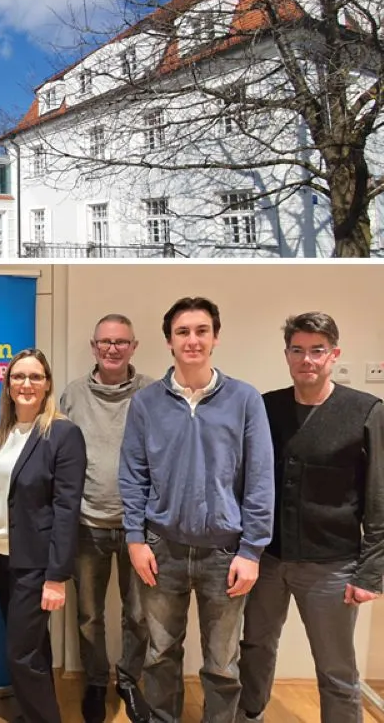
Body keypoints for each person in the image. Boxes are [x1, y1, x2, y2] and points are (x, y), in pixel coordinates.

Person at [119, 296, 274, 723]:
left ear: (216, 337)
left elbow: (261, 479)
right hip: (161, 550)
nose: (192, 340)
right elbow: (132, 475)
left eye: (201, 331)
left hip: (225, 555)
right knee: (159, 655)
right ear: (169, 341)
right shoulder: (147, 403)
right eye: (183, 332)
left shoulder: (245, 400)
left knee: (222, 666)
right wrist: (135, 538)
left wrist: (252, 551)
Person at [238, 312, 384, 723]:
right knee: (256, 648)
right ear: (286, 355)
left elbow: (379, 496)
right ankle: (249, 715)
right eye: (298, 350)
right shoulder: (266, 408)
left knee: (336, 667)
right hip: (266, 560)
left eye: (317, 351)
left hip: (332, 565)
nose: (307, 360)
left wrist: (370, 574)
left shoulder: (366, 411)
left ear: (334, 354)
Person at [0, 348, 86, 723]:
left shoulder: (63, 433)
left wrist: (56, 577)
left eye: (34, 377)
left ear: (47, 384)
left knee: (19, 654)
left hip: (36, 564)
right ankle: (36, 713)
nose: (25, 384)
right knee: (33, 650)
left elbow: (67, 510)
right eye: (18, 377)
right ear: (7, 385)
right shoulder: (6, 433)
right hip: (4, 557)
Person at [60, 314, 154, 723]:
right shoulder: (72, 395)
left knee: (138, 614)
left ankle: (129, 681)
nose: (112, 348)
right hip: (87, 525)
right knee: (88, 615)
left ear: (134, 346)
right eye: (104, 342)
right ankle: (96, 682)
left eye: (121, 342)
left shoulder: (154, 393)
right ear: (93, 346)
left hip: (141, 529)